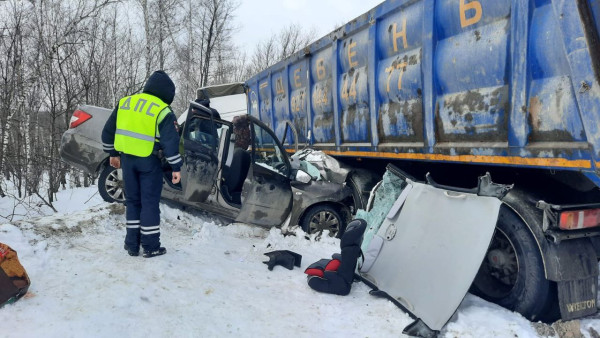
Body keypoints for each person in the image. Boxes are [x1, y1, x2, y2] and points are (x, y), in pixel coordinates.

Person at [101, 70, 182, 258]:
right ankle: (151, 246)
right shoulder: (162, 110)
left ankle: (132, 245)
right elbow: (170, 142)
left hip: (127, 161)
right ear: (166, 93)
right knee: (149, 204)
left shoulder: (125, 102)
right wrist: (176, 167)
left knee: (133, 202)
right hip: (149, 162)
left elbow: (107, 132)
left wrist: (113, 153)